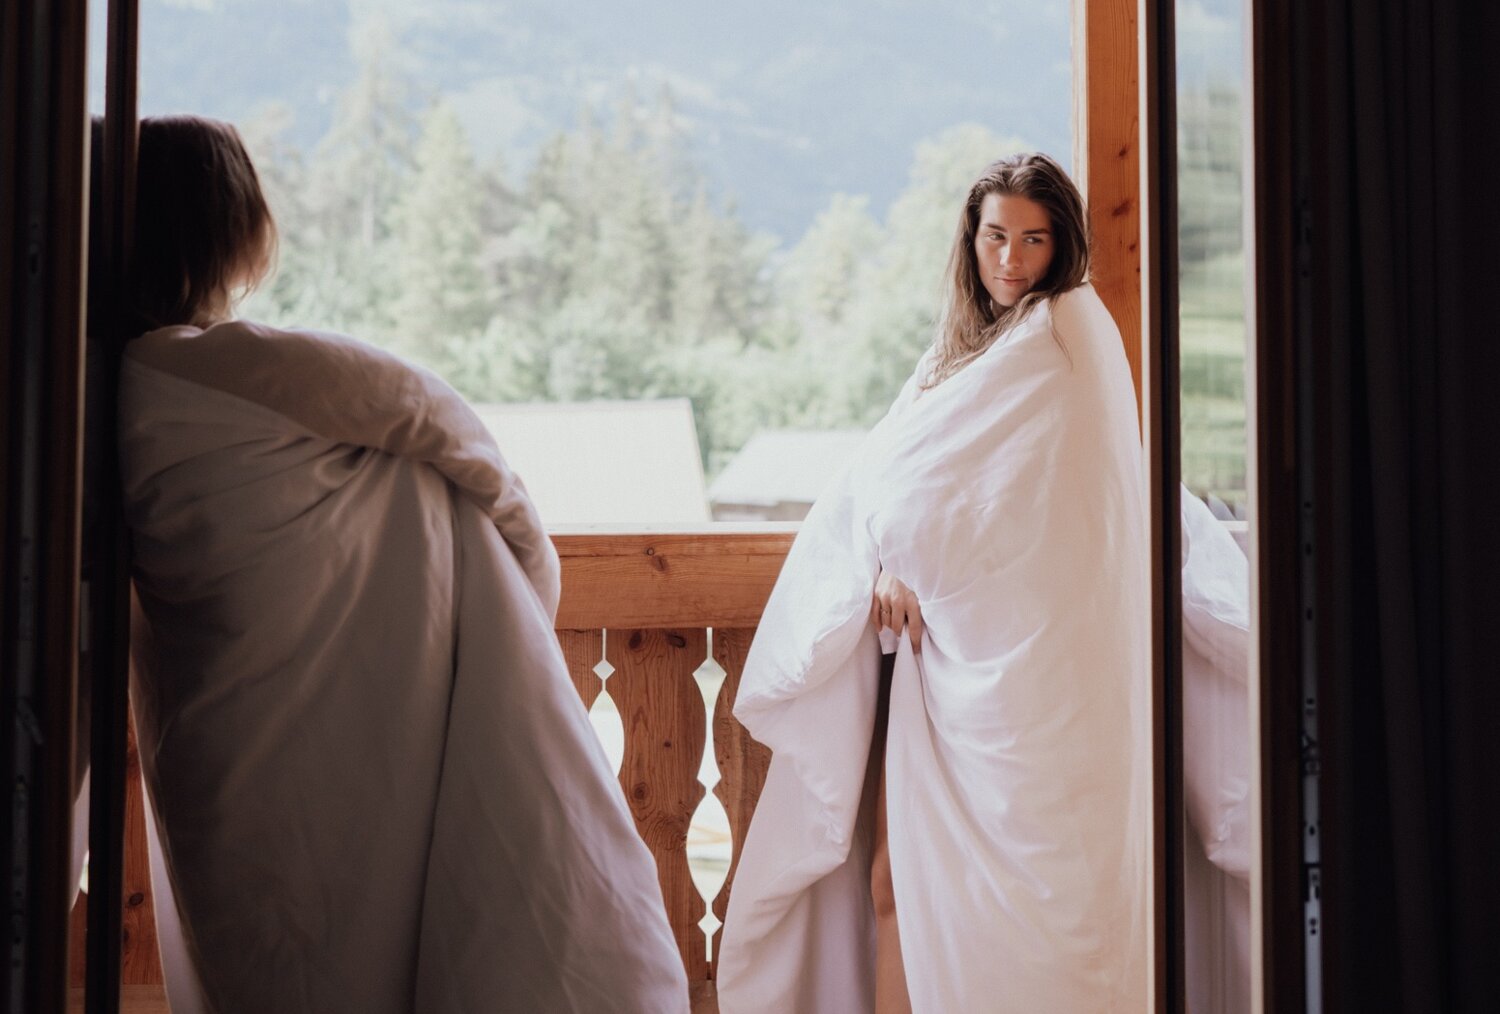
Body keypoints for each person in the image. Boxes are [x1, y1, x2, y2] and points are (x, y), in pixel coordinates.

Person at [113, 115, 688, 1014]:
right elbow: (437, 418)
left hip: (214, 736)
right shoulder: (234, 368)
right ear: (232, 226)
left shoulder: (102, 387)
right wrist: (523, 590)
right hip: (334, 737)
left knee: (273, 954)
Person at [716, 152, 1150, 1012]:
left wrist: (920, 552)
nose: (1012, 260)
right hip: (932, 662)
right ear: (971, 238)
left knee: (1027, 906)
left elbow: (1063, 503)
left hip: (1035, 681)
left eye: (1034, 239)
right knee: (896, 883)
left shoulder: (1070, 327)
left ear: (1061, 245)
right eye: (996, 236)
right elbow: (893, 473)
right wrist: (887, 558)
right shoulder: (957, 351)